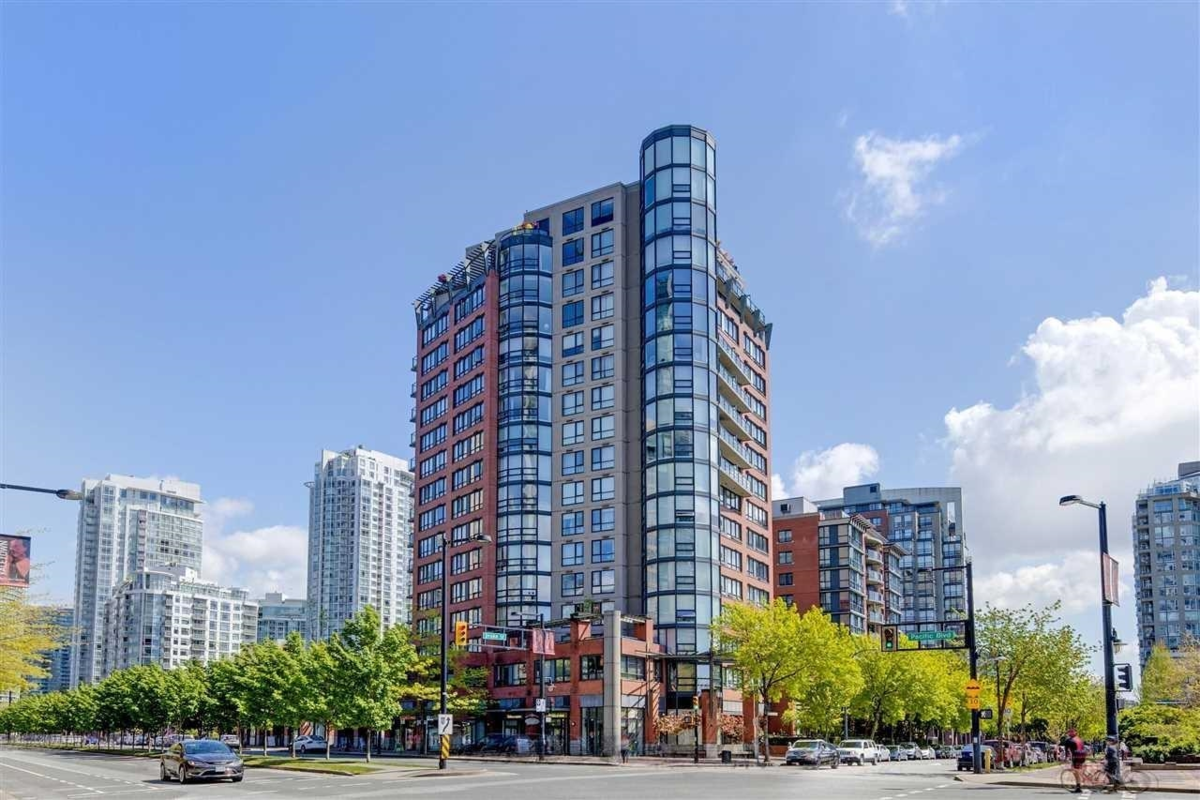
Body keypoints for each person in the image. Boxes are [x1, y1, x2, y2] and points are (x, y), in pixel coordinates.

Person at [1062, 728, 1087, 793]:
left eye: (1070, 732)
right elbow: (1083, 748)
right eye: (1069, 732)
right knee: (1076, 770)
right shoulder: (1080, 739)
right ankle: (1079, 784)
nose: (1070, 733)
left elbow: (1066, 751)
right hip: (1082, 756)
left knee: (1075, 770)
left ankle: (1078, 786)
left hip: (1076, 756)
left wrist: (1066, 758)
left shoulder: (1068, 740)